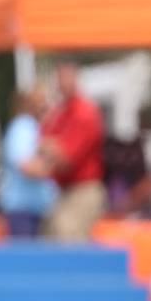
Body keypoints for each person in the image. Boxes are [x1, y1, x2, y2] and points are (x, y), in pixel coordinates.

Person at [34, 62, 106, 242]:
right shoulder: (60, 113)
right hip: (64, 191)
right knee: (49, 235)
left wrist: (48, 147)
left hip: (83, 190)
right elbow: (42, 145)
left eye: (65, 78)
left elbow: (67, 159)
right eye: (59, 79)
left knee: (66, 235)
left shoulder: (84, 112)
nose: (61, 84)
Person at [0, 88, 57, 238]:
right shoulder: (23, 127)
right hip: (23, 211)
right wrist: (58, 167)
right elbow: (26, 166)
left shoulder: (31, 127)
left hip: (34, 210)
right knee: (26, 259)